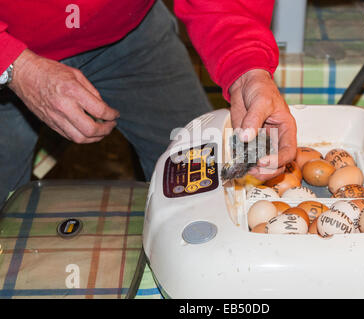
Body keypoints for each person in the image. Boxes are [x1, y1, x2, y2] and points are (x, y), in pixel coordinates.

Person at [0, 0, 297, 203]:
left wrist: (246, 66)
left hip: (130, 31)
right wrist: (14, 65)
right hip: (10, 43)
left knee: (202, 185)